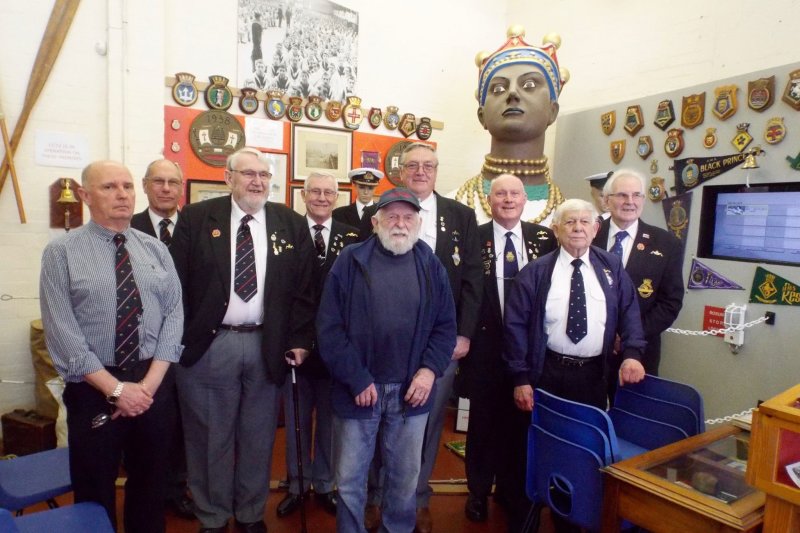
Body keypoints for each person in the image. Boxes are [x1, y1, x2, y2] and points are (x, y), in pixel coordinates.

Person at [170, 147, 316, 533]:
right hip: (209, 346)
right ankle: (213, 516)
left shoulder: (290, 222)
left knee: (258, 436)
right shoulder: (198, 218)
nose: (257, 181)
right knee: (208, 438)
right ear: (228, 177)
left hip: (268, 346)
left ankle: (251, 513)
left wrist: (301, 340)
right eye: (249, 173)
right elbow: (176, 285)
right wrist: (179, 340)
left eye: (264, 175)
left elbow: (305, 289)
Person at [40, 160, 183, 532]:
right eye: (108, 187)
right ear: (86, 196)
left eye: (127, 186)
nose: (122, 194)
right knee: (94, 487)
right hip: (92, 386)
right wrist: (116, 390)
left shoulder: (155, 250)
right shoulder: (62, 253)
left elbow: (174, 318)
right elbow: (63, 332)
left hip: (152, 383)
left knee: (151, 485)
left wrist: (145, 389)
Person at [317, 188, 457, 533]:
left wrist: (428, 372)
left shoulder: (431, 264)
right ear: (376, 221)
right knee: (349, 478)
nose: (400, 223)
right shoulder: (350, 261)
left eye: (408, 217)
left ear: (418, 222)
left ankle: (396, 529)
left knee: (405, 478)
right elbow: (329, 328)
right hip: (360, 390)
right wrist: (357, 378)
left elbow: (445, 326)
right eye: (391, 216)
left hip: (412, 391)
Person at [359, 143, 482, 533]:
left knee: (424, 427)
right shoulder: (376, 214)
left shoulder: (461, 216)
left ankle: (416, 499)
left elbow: (473, 280)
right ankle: (378, 498)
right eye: (413, 165)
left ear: (436, 170)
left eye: (428, 165)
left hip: (439, 344)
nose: (421, 171)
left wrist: (462, 334)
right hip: (388, 343)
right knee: (379, 423)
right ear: (400, 170)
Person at [503, 198, 646, 531]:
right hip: (546, 375)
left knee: (583, 449)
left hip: (593, 378)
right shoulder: (536, 273)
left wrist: (633, 354)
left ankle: (574, 516)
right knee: (537, 448)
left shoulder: (612, 268)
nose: (578, 228)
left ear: (596, 229)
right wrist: (520, 377)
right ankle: (528, 515)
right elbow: (515, 327)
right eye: (570, 222)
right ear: (556, 229)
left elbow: (630, 314)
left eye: (585, 222)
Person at [457, 175, 556, 524]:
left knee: (520, 424)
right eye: (501, 193)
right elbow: (465, 290)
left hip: (529, 350)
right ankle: (478, 492)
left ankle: (513, 491)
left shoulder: (544, 238)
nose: (508, 199)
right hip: (485, 346)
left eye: (515, 193)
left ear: (525, 199)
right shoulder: (475, 237)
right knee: (483, 423)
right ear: (490, 199)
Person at [276, 172, 358, 519]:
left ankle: (324, 483)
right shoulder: (287, 232)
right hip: (295, 347)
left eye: (329, 192)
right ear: (303, 195)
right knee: (296, 419)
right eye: (315, 192)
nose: (322, 197)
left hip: (334, 349)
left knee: (329, 422)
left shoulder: (353, 236)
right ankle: (297, 484)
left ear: (336, 197)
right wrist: (296, 339)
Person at [130, 158, 195, 520]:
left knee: (182, 423)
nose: (166, 188)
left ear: (181, 186)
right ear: (145, 185)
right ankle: (148, 491)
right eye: (159, 181)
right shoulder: (129, 226)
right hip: (142, 345)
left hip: (189, 345)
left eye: (173, 182)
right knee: (149, 422)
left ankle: (177, 487)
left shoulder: (198, 226)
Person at [452, 26, 568, 226]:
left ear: (552, 111)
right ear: (482, 116)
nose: (512, 93)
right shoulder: (455, 207)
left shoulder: (569, 217)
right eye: (498, 88)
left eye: (529, 85)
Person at [593, 168, 684, 376]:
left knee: (632, 409)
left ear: (643, 200)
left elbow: (670, 302)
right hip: (590, 349)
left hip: (639, 352)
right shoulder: (588, 235)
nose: (630, 201)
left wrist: (629, 335)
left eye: (636, 195)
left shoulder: (666, 243)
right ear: (606, 200)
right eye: (622, 195)